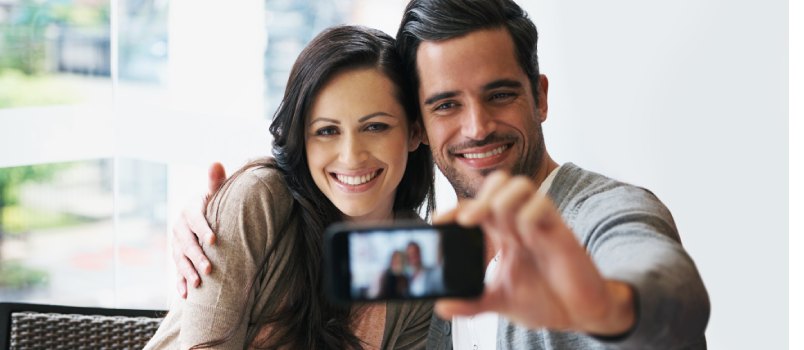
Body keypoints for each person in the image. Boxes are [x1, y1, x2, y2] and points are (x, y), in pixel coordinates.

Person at [172, 0, 711, 349]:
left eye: (500, 94)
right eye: (447, 104)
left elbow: (669, 289)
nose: (477, 127)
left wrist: (608, 305)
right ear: (421, 127)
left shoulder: (601, 212)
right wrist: (228, 210)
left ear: (540, 97)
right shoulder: (427, 257)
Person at [146, 25, 437, 349]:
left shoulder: (419, 258)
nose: (352, 156)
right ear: (302, 138)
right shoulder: (259, 201)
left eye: (375, 126)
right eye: (327, 131)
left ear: (414, 133)